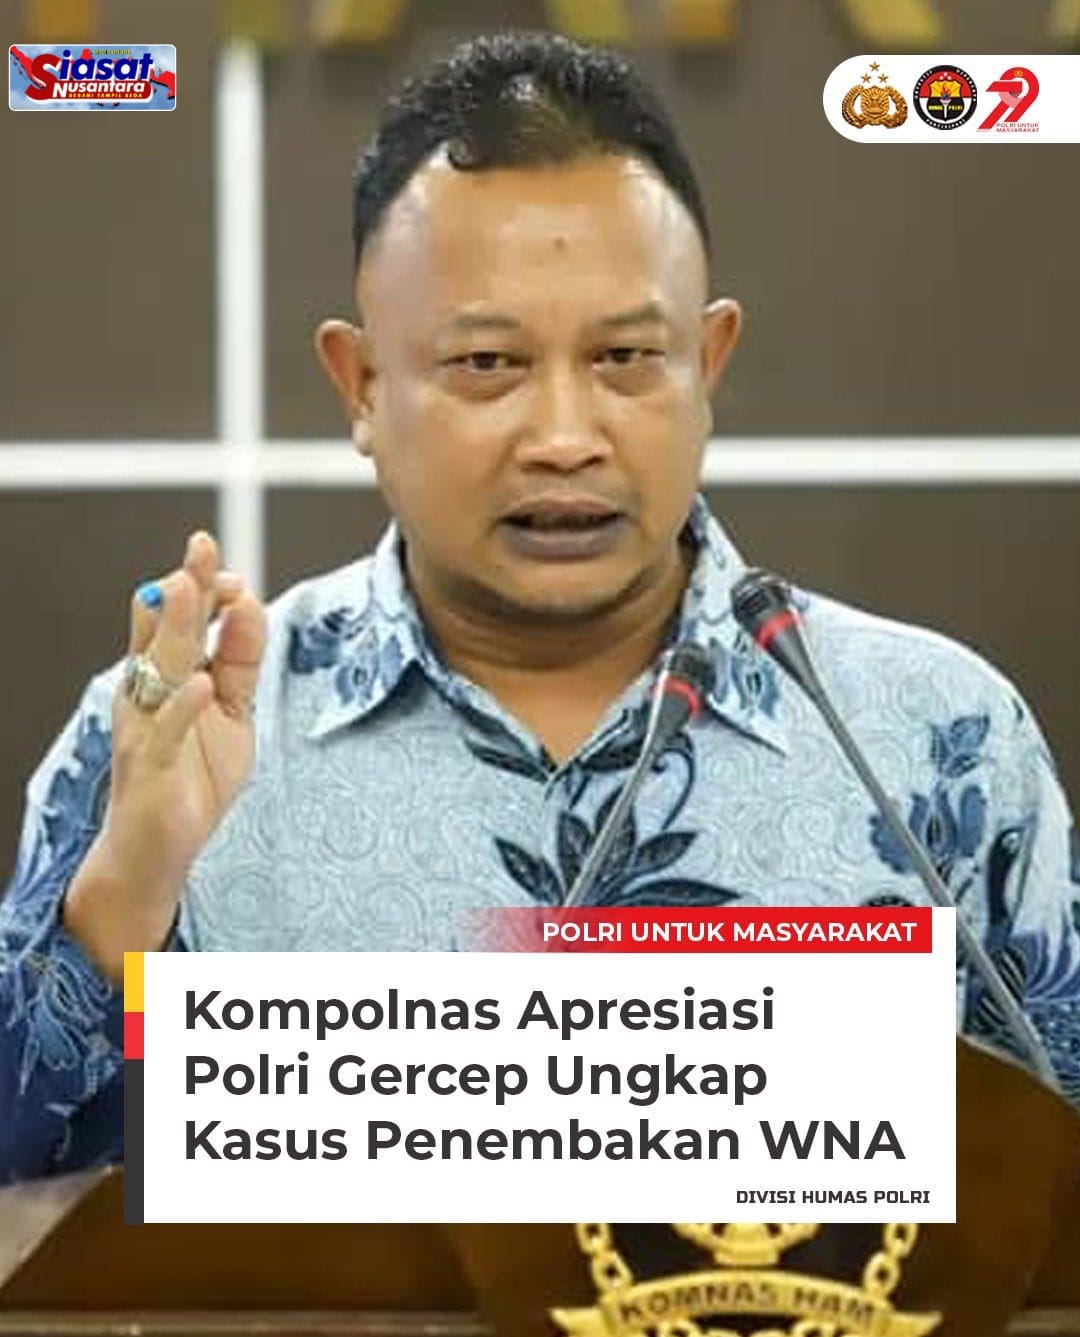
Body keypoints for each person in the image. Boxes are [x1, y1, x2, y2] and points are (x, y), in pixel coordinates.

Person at [1, 32, 1077, 1183]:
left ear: (708, 366)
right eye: (487, 365)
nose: (565, 437)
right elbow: (25, 1197)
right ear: (361, 386)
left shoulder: (934, 739)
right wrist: (123, 906)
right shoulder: (172, 747)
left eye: (626, 357)